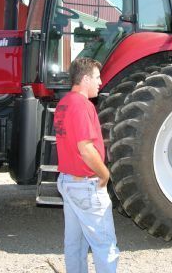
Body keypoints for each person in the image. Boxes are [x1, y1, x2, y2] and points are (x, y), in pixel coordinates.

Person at [54, 57, 119, 273]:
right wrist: (104, 174)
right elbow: (85, 148)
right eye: (97, 78)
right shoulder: (82, 105)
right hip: (86, 185)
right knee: (104, 246)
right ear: (85, 79)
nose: (101, 82)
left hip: (68, 182)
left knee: (75, 245)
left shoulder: (64, 104)